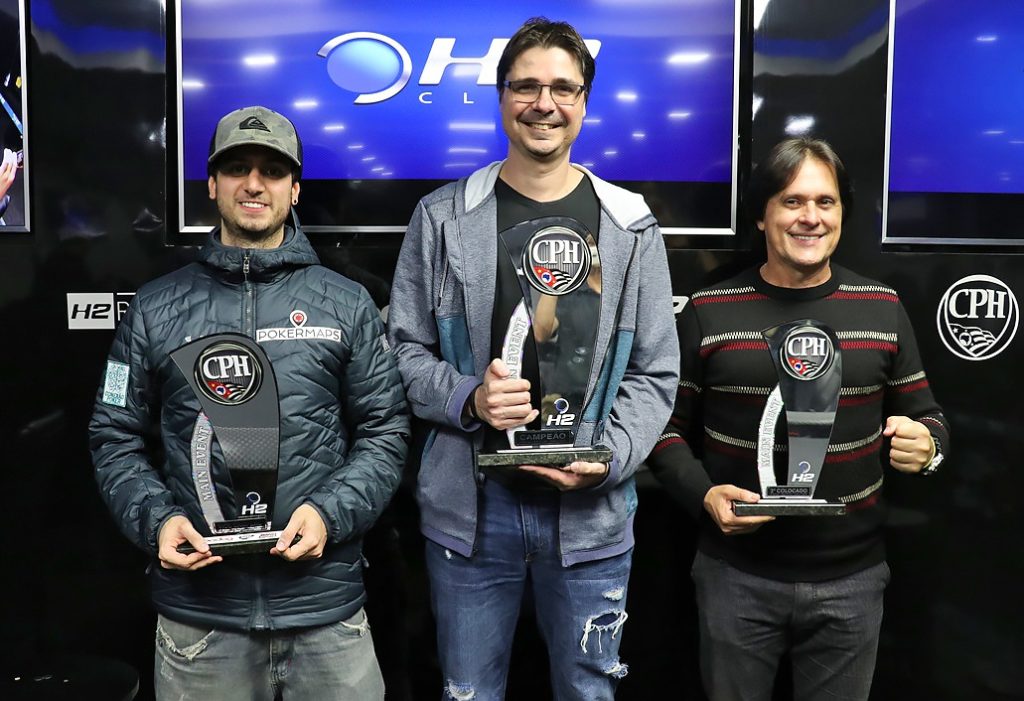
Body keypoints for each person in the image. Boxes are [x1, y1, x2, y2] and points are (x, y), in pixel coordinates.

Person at [387, 17, 678, 701]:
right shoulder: (442, 216)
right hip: (471, 511)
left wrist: (605, 456)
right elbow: (401, 348)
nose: (543, 103)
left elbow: (657, 372)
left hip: (591, 518)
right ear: (501, 97)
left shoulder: (632, 226)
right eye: (526, 87)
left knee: (588, 690)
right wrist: (468, 397)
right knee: (468, 691)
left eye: (563, 88)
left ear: (584, 102)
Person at [89, 105, 409, 701]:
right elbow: (114, 434)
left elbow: (385, 430)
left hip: (325, 614)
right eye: (237, 168)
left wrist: (330, 514)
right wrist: (157, 521)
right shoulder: (156, 307)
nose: (254, 184)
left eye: (271, 170)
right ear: (211, 185)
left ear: (295, 189)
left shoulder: (348, 303)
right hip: (202, 622)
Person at [647, 137, 950, 701]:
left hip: (852, 582)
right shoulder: (709, 311)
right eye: (791, 201)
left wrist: (927, 447)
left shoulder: (882, 308)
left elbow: (928, 417)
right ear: (762, 215)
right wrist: (705, 497)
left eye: (825, 202)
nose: (810, 217)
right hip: (735, 578)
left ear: (842, 214)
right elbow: (663, 432)